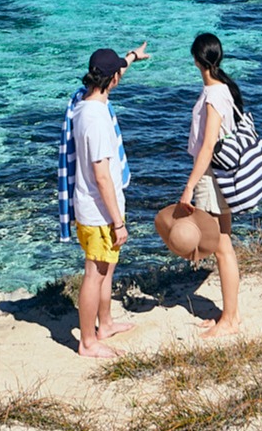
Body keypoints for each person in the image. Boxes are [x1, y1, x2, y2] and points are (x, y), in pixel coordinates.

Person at [163, 32, 250, 338]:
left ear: (196, 60)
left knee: (222, 248)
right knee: (224, 244)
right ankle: (231, 315)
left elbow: (208, 146)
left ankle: (229, 321)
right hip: (223, 176)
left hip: (212, 178)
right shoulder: (225, 88)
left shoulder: (214, 95)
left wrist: (189, 186)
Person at [63, 44, 145, 359]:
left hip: (98, 209)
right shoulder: (97, 120)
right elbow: (101, 176)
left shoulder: (82, 101)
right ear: (111, 80)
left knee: (107, 270)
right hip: (98, 213)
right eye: (118, 74)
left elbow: (116, 67)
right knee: (94, 273)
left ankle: (105, 323)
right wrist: (118, 221)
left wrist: (133, 57)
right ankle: (87, 342)